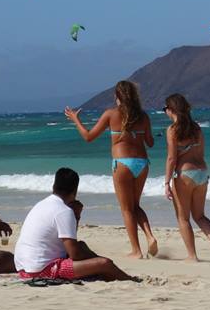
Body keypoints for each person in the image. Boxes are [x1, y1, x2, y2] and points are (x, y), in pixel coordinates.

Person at [65, 80, 157, 259]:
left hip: (122, 163)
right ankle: (150, 236)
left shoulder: (111, 114)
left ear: (117, 96)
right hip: (142, 163)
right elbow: (150, 142)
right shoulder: (144, 116)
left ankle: (137, 251)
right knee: (135, 205)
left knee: (126, 209)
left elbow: (89, 137)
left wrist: (76, 119)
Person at [14, 167, 138, 282]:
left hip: (23, 268)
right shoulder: (63, 211)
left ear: (54, 186)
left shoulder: (42, 204)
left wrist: (76, 217)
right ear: (75, 190)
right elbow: (74, 254)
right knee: (105, 263)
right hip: (41, 271)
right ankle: (130, 281)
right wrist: (96, 259)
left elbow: (69, 241)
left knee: (82, 246)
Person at [163, 93, 210, 263]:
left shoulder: (172, 130)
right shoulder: (197, 128)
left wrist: (166, 182)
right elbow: (201, 153)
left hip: (184, 174)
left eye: (165, 109)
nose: (165, 112)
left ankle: (192, 256)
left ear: (171, 110)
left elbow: (171, 158)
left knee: (183, 218)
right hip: (202, 172)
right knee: (200, 216)